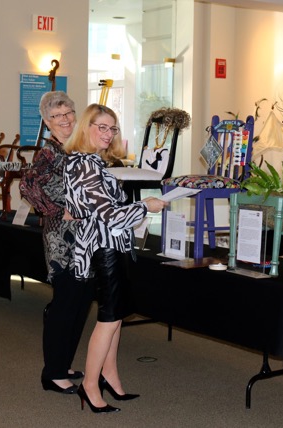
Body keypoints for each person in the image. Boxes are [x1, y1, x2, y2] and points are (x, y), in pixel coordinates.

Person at [63, 104, 167, 413]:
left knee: (116, 315)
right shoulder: (84, 163)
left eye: (113, 128)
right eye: (102, 127)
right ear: (86, 127)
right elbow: (107, 214)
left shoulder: (94, 162)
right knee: (108, 319)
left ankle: (109, 375)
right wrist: (145, 206)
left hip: (113, 245)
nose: (108, 134)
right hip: (103, 248)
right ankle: (90, 385)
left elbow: (96, 210)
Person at [19, 91, 94, 395]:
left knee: (81, 300)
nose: (64, 121)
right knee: (65, 304)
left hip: (85, 237)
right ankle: (52, 374)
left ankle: (63, 364)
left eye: (68, 114)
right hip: (61, 240)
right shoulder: (49, 152)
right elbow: (27, 185)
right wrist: (54, 210)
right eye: (57, 117)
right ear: (47, 122)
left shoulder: (75, 148)